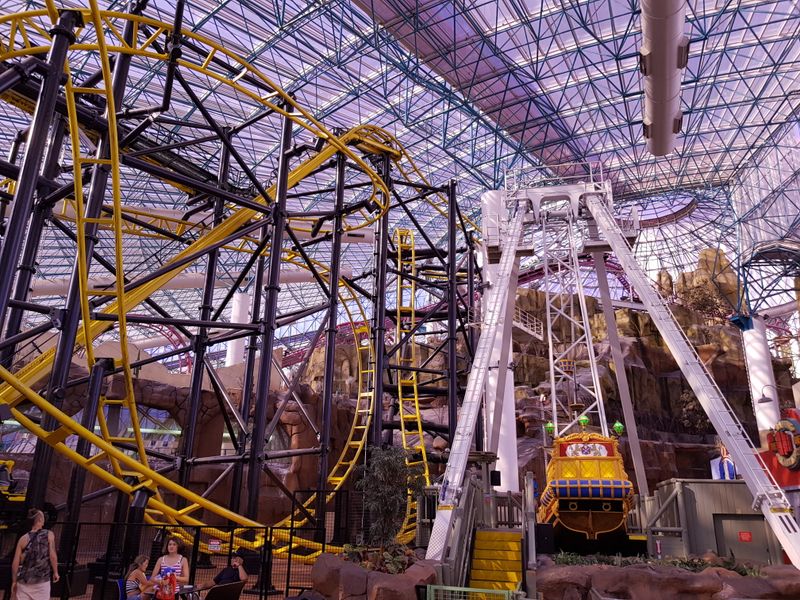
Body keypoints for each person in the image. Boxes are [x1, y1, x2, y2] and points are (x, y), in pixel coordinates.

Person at [10, 509, 59, 600]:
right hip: (42, 582)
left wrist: (14, 581)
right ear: (40, 520)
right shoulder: (49, 534)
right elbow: (52, 555)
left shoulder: (23, 539)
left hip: (24, 582)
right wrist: (55, 572)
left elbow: (15, 562)